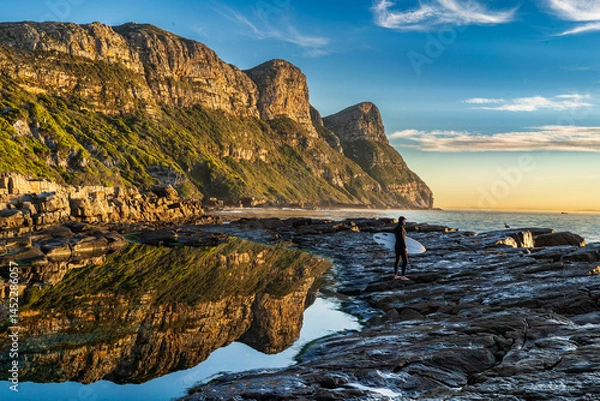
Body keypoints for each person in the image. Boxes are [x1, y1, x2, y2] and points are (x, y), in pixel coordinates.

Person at [393, 216, 409, 280]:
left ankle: (395, 275)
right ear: (402, 221)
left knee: (397, 260)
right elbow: (402, 238)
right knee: (405, 261)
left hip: (397, 246)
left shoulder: (396, 228)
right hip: (401, 247)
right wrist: (405, 247)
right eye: (405, 220)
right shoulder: (401, 228)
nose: (405, 222)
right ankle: (403, 276)